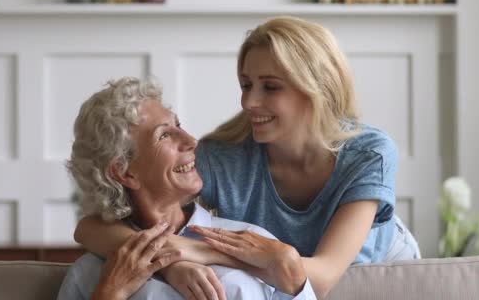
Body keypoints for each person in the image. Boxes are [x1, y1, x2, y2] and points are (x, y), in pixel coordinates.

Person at [74, 16, 421, 299]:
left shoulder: (368, 151)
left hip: (366, 263)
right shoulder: (223, 157)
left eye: (270, 87)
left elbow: (325, 275)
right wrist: (170, 263)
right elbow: (89, 228)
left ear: (316, 89)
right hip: (277, 274)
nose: (249, 102)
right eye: (245, 84)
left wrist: (204, 252)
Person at [57, 77, 316, 300]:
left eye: (178, 125)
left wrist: (290, 269)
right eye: (164, 135)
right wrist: (110, 293)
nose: (191, 141)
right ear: (124, 172)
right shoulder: (92, 272)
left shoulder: (253, 241)